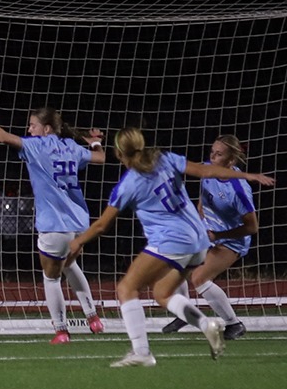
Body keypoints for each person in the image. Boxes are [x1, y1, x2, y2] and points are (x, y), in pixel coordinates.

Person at [67, 127, 275, 367]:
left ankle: (142, 353)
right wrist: (247, 176)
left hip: (172, 240)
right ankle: (208, 325)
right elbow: (204, 170)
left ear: (120, 154)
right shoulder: (164, 158)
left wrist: (78, 241)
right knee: (162, 293)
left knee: (126, 289)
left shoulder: (129, 183)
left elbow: (102, 225)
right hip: (199, 240)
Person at [0, 92, 105, 344]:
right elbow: (101, 158)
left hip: (54, 226)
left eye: (32, 125)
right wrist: (94, 141)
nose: (29, 129)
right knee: (70, 265)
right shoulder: (71, 147)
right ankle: (93, 318)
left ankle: (61, 330)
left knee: (51, 277)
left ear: (46, 128)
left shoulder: (37, 146)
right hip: (79, 224)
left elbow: (2, 137)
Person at [161, 135, 258, 340]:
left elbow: (252, 227)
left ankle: (234, 324)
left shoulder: (238, 191)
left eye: (219, 154)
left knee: (199, 277)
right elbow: (203, 199)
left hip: (232, 240)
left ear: (231, 161)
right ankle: (184, 313)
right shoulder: (207, 170)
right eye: (212, 152)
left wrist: (219, 234)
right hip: (209, 231)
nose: (212, 157)